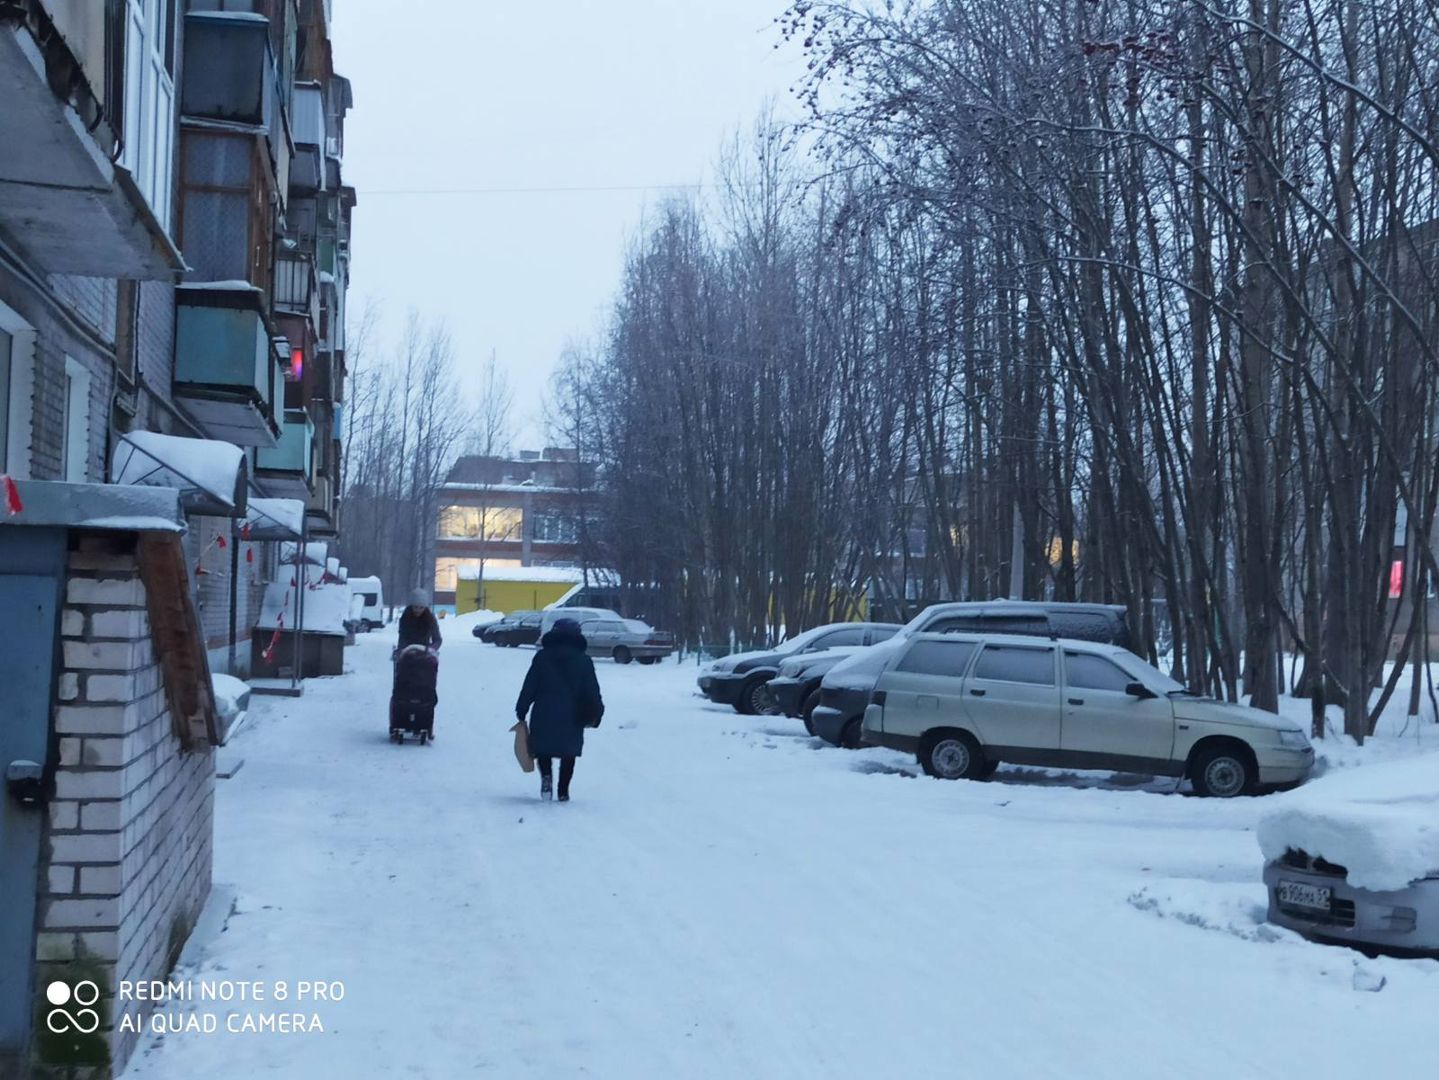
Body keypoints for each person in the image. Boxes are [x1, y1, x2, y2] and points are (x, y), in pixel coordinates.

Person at [515, 617, 603, 802]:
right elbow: (592, 689)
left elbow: (530, 685)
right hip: (573, 713)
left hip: (544, 710)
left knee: (542, 749)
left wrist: (522, 708)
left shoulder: (542, 657)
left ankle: (546, 778)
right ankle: (563, 791)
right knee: (568, 752)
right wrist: (598, 712)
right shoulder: (583, 660)